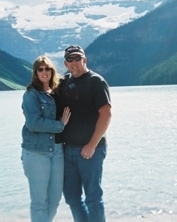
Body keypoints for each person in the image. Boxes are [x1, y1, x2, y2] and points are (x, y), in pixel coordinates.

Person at [58, 45, 112, 222]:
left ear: (84, 60)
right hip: (68, 151)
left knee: (93, 198)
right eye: (70, 59)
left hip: (91, 151)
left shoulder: (96, 82)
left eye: (77, 58)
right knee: (72, 198)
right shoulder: (64, 82)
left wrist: (92, 144)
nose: (74, 63)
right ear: (65, 63)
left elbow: (106, 114)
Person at [21, 55, 71, 222]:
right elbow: (33, 123)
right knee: (39, 202)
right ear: (35, 73)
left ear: (52, 70)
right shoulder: (31, 95)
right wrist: (60, 125)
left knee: (55, 199)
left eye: (47, 68)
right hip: (36, 152)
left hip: (57, 151)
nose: (44, 72)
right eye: (40, 69)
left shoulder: (58, 91)